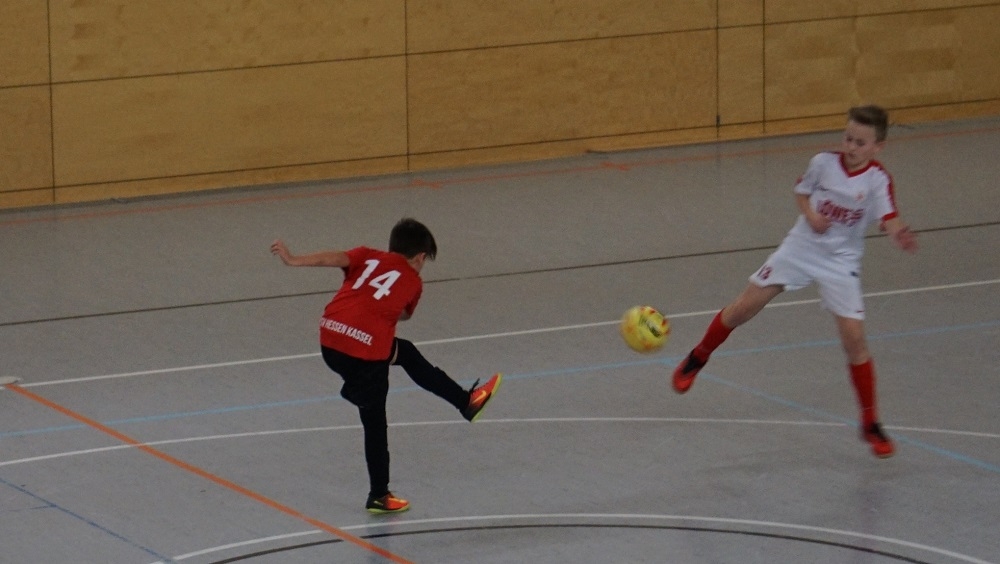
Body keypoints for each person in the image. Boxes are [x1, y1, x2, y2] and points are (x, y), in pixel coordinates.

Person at [671, 105, 917, 458]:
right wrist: (811, 215)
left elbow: (889, 216)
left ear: (878, 147)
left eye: (860, 143)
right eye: (848, 138)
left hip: (841, 262)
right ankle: (698, 356)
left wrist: (898, 233)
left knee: (855, 340)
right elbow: (801, 192)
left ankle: (870, 421)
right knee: (744, 308)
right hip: (802, 246)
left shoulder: (877, 180)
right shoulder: (823, 163)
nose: (851, 147)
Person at [270, 218, 502, 513]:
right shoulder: (413, 282)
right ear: (420, 257)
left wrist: (294, 259)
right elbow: (403, 314)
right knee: (375, 422)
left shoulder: (367, 255)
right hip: (364, 354)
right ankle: (379, 494)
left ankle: (467, 402)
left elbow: (334, 258)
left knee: (406, 353)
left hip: (330, 338)